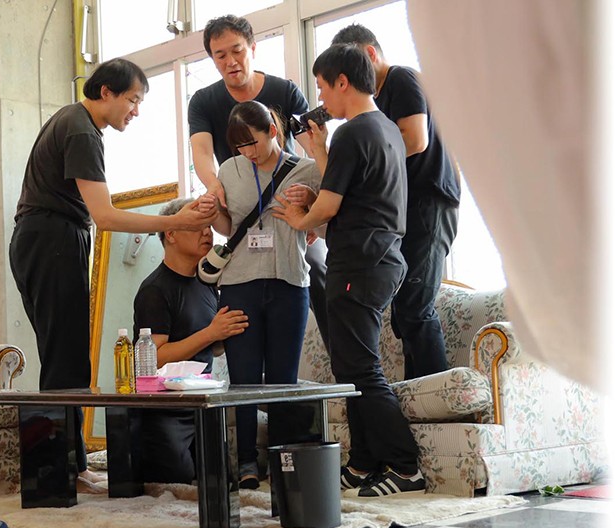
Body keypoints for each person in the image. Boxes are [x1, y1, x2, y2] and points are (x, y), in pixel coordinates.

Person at [9, 58, 216, 492]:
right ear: (106, 92)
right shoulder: (82, 130)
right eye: (133, 100)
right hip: (52, 240)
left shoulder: (72, 121)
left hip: (46, 238)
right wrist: (175, 221)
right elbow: (104, 216)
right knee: (65, 359)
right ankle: (61, 471)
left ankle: (69, 467)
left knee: (64, 355)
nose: (135, 111)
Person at [273, 44, 424, 496]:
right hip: (380, 258)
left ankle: (406, 468)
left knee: (360, 369)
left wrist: (299, 219)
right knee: (350, 370)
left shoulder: (354, 132)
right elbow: (346, 187)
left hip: (360, 261)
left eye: (322, 87)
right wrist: (319, 152)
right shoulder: (385, 128)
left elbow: (329, 205)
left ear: (342, 82)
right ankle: (362, 462)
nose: (320, 97)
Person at [188, 15, 332, 352]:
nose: (230, 61)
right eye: (220, 55)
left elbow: (313, 147)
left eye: (236, 50)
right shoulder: (204, 101)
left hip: (288, 204)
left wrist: (315, 207)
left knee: (319, 269)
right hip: (240, 208)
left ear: (252, 48)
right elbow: (202, 152)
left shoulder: (284, 91)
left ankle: (342, 359)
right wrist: (215, 187)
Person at [199, 100, 321, 489]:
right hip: (239, 283)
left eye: (252, 142)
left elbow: (323, 223)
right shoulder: (229, 170)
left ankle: (284, 462)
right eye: (239, 146)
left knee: (284, 380)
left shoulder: (306, 169)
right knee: (244, 379)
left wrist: (310, 205)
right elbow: (228, 226)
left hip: (289, 281)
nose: (247, 152)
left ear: (272, 130)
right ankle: (247, 463)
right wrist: (213, 212)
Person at [332, 24, 460, 380]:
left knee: (414, 306)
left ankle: (438, 393)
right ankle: (417, 392)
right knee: (404, 311)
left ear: (371, 54)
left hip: (431, 202)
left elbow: (416, 139)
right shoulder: (373, 103)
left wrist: (368, 165)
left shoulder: (401, 78)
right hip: (405, 209)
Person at [132, 198, 249, 483]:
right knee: (177, 483)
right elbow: (154, 357)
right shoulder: (154, 290)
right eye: (198, 226)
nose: (208, 232)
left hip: (202, 404)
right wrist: (211, 333)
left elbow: (212, 349)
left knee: (221, 482)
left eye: (209, 226)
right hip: (165, 409)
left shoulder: (207, 284)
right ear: (171, 233)